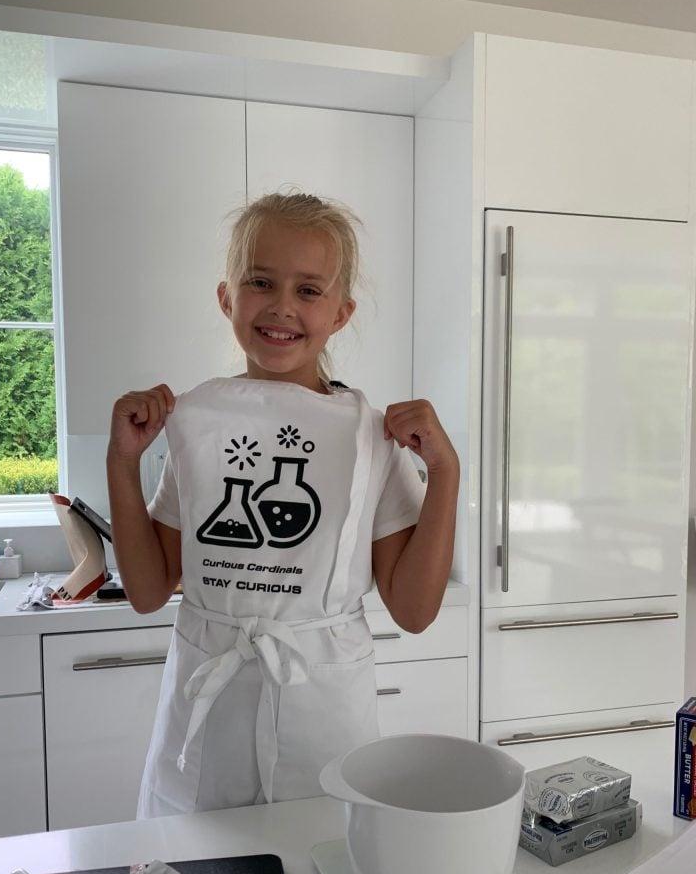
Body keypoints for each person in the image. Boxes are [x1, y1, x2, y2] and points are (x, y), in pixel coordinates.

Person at [107, 191, 460, 817]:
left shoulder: (368, 435)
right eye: (261, 282)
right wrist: (123, 461)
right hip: (207, 704)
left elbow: (412, 610)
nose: (282, 307)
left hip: (321, 706)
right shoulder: (196, 425)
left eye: (309, 290)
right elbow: (145, 591)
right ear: (227, 298)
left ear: (342, 312)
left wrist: (445, 471)